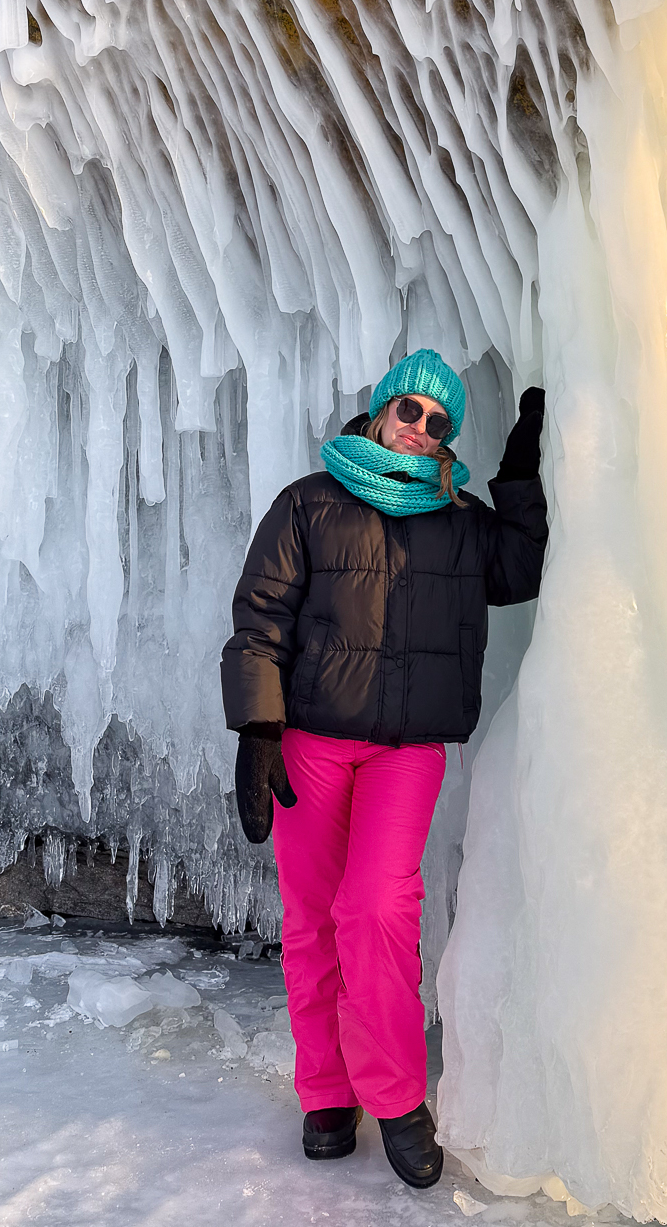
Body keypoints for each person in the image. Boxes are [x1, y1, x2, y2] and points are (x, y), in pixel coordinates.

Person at [220, 349, 548, 1188]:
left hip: (408, 751)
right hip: (313, 745)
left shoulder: (460, 519)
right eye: (411, 410)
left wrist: (517, 476)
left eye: (439, 425)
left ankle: (398, 1100)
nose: (421, 430)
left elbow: (518, 571)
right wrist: (258, 728)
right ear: (380, 411)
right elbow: (261, 615)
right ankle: (327, 1093)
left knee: (377, 912)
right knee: (312, 922)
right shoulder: (308, 504)